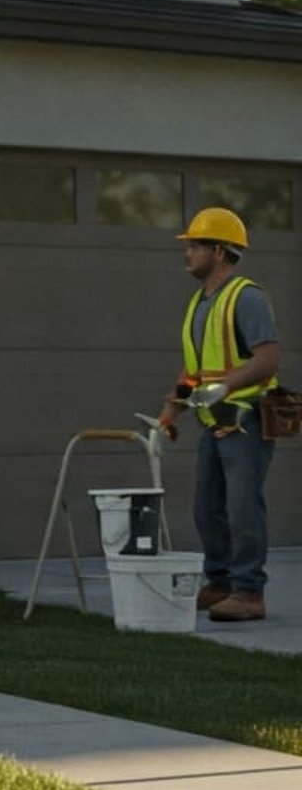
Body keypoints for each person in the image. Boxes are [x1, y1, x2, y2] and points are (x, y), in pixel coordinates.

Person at [156, 208, 279, 623]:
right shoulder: (198, 304)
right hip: (213, 423)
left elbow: (267, 359)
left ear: (220, 251)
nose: (187, 253)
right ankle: (221, 582)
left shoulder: (247, 296)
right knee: (207, 508)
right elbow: (193, 370)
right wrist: (170, 411)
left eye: (195, 245)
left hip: (245, 421)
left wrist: (226, 385)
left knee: (243, 507)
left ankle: (249, 592)